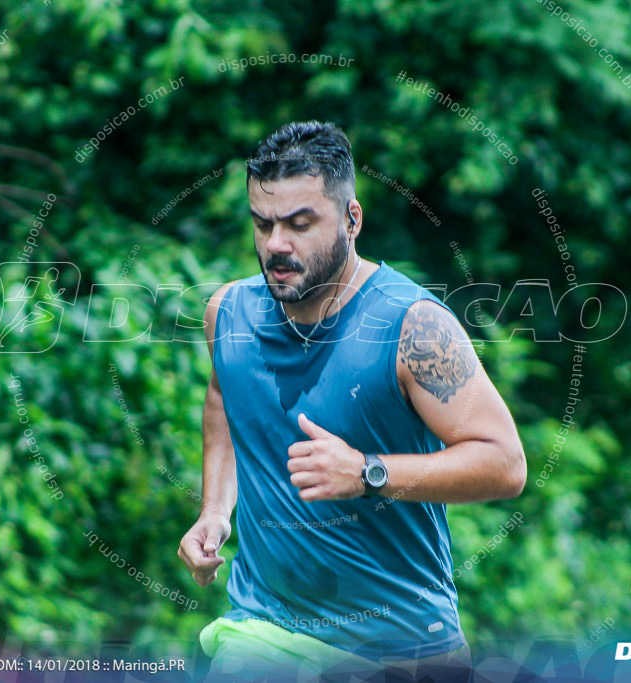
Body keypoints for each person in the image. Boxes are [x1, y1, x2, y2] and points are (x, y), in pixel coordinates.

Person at [176, 120, 526, 681]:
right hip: (265, 632)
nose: (277, 245)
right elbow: (224, 399)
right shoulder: (229, 315)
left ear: (352, 219)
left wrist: (369, 471)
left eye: (300, 223)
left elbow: (504, 462)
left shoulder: (412, 327)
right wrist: (216, 512)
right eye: (263, 225)